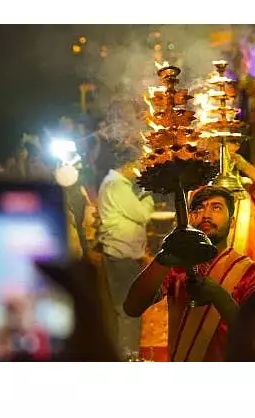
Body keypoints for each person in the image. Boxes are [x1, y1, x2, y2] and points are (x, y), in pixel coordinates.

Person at [123, 186, 255, 362]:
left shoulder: (252, 273)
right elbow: (132, 308)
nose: (206, 214)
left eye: (216, 207)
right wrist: (162, 259)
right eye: (198, 208)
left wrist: (219, 297)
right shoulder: (176, 268)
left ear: (232, 222)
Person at [96, 148, 155, 358]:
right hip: (121, 257)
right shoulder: (117, 185)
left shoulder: (114, 183)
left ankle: (127, 354)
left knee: (126, 309)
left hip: (122, 254)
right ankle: (128, 356)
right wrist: (147, 195)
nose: (139, 170)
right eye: (138, 165)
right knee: (128, 310)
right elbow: (142, 214)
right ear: (128, 165)